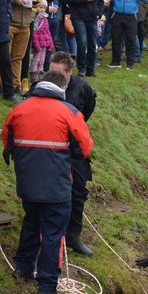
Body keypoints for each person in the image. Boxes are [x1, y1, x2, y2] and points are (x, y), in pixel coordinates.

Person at [2, 70, 93, 294]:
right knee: (53, 234)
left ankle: (23, 268)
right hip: (56, 188)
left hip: (27, 184)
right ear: (63, 88)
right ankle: (47, 287)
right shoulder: (69, 112)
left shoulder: (19, 109)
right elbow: (85, 148)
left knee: (31, 222)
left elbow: (7, 140)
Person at [45, 52, 96, 255]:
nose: (54, 77)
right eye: (51, 72)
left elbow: (87, 111)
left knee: (78, 192)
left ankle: (73, 236)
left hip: (74, 150)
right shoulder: (42, 86)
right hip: (49, 149)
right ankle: (45, 233)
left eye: (58, 73)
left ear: (69, 72)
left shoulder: (82, 88)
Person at [3, 0, 41, 92]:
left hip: (26, 23)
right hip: (10, 21)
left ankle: (15, 85)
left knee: (18, 57)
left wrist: (35, 0)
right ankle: (1, 84)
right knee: (5, 56)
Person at [64, 0, 107, 77]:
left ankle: (90, 69)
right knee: (82, 42)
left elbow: (102, 0)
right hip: (78, 17)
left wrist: (100, 12)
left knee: (93, 44)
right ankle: (81, 68)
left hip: (93, 17)